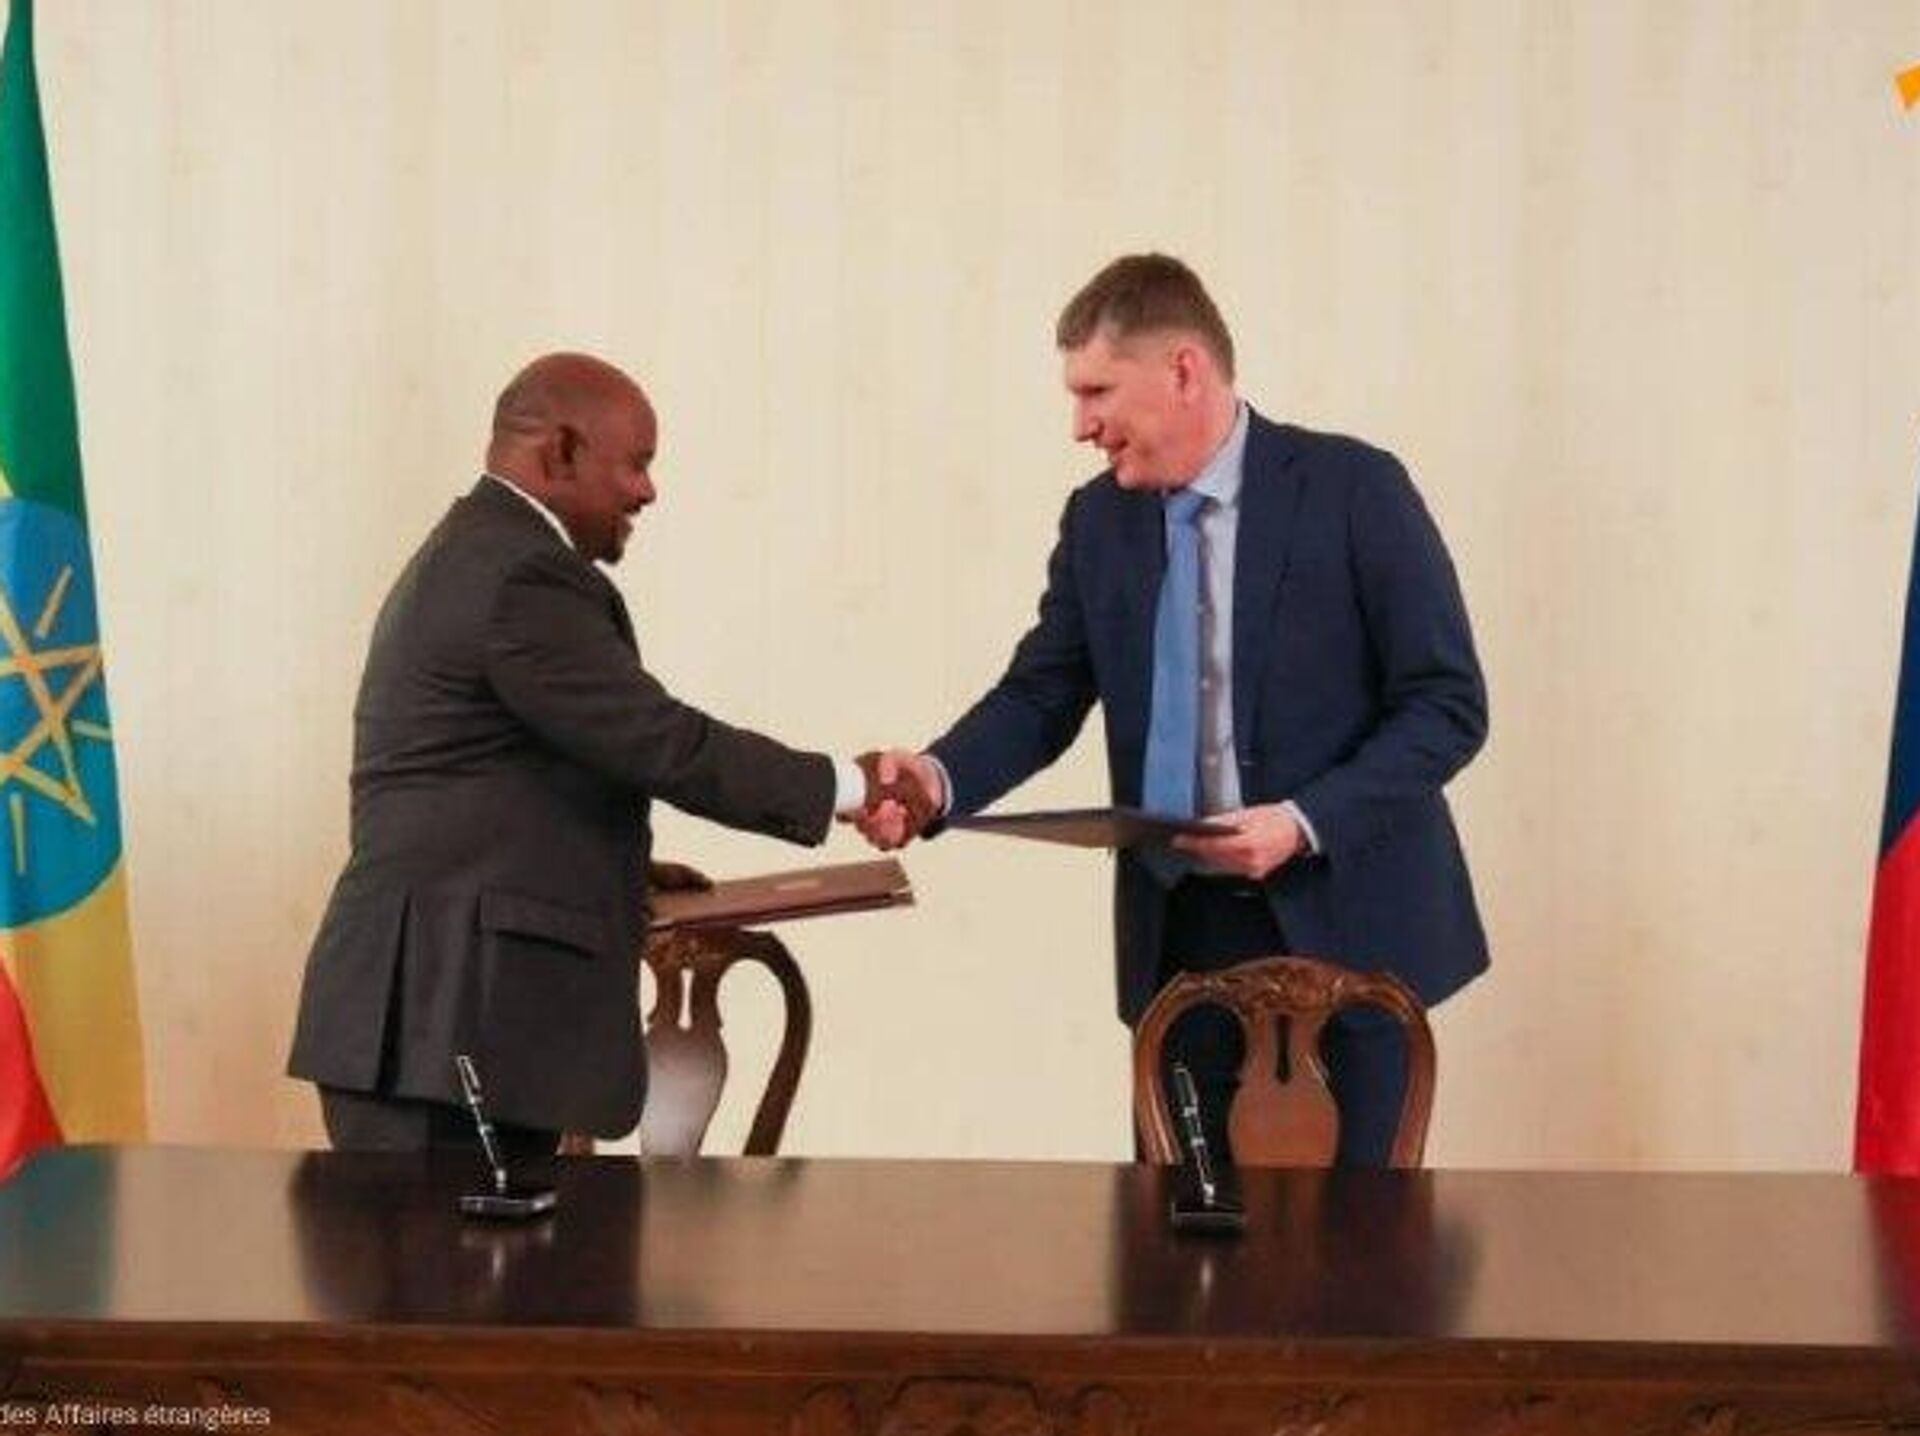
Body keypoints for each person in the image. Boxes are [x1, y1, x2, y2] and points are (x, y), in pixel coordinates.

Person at [860, 255, 1488, 1166]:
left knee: (1362, 1239)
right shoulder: (1097, 522)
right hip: (1180, 941)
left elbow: (1446, 704)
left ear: (1183, 370)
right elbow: (1041, 694)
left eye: (1096, 392)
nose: (1080, 425)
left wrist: (1302, 821)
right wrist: (934, 777)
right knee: (1180, 1229)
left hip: (1352, 931)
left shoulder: (1356, 489)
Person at [288, 353, 928, 1156]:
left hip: (438, 1030)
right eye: (636, 463)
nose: (647, 491)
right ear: (561, 451)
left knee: (475, 1244)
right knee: (447, 1245)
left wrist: (611, 866)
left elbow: (487, 783)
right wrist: (850, 785)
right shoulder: (521, 575)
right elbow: (658, 740)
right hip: (439, 1033)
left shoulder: (479, 552)